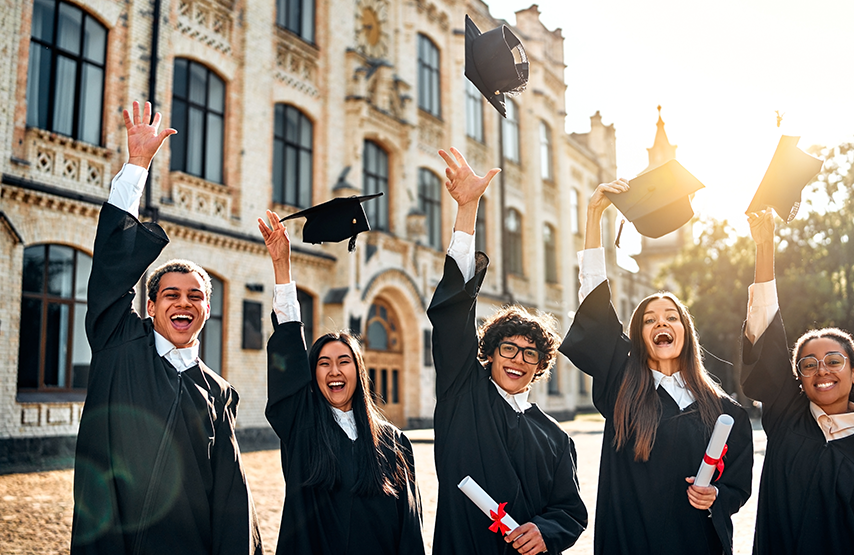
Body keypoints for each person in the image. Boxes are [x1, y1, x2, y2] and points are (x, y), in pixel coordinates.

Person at [71, 101, 261, 554]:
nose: (183, 303)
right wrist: (137, 165)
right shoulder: (118, 344)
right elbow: (110, 272)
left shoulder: (218, 394)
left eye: (195, 296)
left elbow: (230, 498)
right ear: (151, 305)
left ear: (208, 309)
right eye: (171, 294)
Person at [559, 180, 753, 555]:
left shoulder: (724, 412)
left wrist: (715, 495)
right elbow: (595, 308)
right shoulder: (622, 387)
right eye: (649, 319)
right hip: (632, 545)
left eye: (671, 317)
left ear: (686, 332)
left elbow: (736, 486)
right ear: (639, 336)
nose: (661, 322)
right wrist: (594, 215)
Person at [428, 147, 588, 555]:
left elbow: (569, 512)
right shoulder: (464, 396)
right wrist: (468, 209)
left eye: (530, 354)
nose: (518, 359)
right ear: (490, 353)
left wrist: (545, 531)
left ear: (541, 366)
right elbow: (452, 320)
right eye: (509, 348)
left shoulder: (556, 439)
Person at [740, 208, 854, 554]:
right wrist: (765, 247)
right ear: (798, 378)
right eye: (809, 364)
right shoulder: (786, 418)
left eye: (834, 361)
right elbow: (765, 329)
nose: (822, 370)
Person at [259, 209, 425, 555]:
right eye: (323, 363)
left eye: (343, 361)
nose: (334, 371)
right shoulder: (303, 430)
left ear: (358, 372)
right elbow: (288, 354)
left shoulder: (393, 443)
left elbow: (409, 525)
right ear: (313, 375)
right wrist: (282, 267)